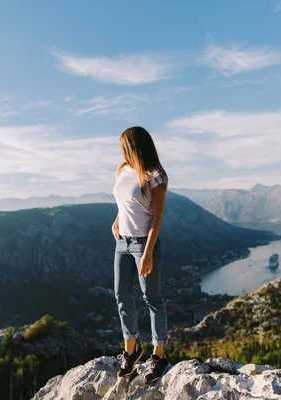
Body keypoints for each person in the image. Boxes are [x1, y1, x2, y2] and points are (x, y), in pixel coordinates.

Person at [111, 126, 169, 382]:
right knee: (122, 295)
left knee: (152, 298)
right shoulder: (123, 170)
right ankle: (131, 351)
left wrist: (147, 253)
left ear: (134, 146)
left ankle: (159, 355)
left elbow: (156, 219)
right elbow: (126, 203)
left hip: (144, 244)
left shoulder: (156, 176)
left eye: (124, 145)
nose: (121, 150)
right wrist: (116, 221)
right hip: (121, 242)